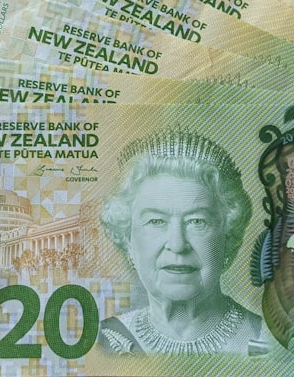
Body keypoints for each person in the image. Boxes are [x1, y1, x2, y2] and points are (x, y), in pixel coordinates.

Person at [97, 129, 275, 356]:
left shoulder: (269, 345)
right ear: (128, 239)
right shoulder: (103, 342)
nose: (178, 244)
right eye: (156, 221)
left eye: (197, 221)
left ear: (228, 236)